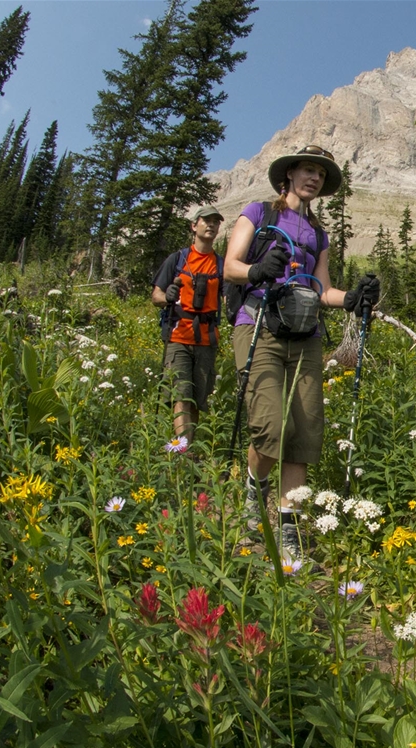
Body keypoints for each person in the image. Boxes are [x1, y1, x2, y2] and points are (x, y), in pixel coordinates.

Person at [226, 145, 379, 559]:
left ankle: (289, 525)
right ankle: (253, 495)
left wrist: (353, 299)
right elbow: (232, 266)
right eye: (308, 170)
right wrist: (258, 270)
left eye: (321, 174)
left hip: (306, 334)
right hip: (259, 326)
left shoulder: (320, 234)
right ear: (289, 174)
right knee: (271, 426)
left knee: (306, 432)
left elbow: (322, 289)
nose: (314, 178)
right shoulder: (259, 213)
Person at [152, 205, 225, 444]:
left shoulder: (221, 265)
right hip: (178, 337)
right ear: (194, 226)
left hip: (207, 339)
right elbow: (156, 296)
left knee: (197, 398)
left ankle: (186, 447)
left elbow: (231, 298)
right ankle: (182, 452)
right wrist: (168, 297)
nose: (211, 225)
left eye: (216, 221)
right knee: (180, 395)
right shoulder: (177, 259)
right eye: (206, 220)